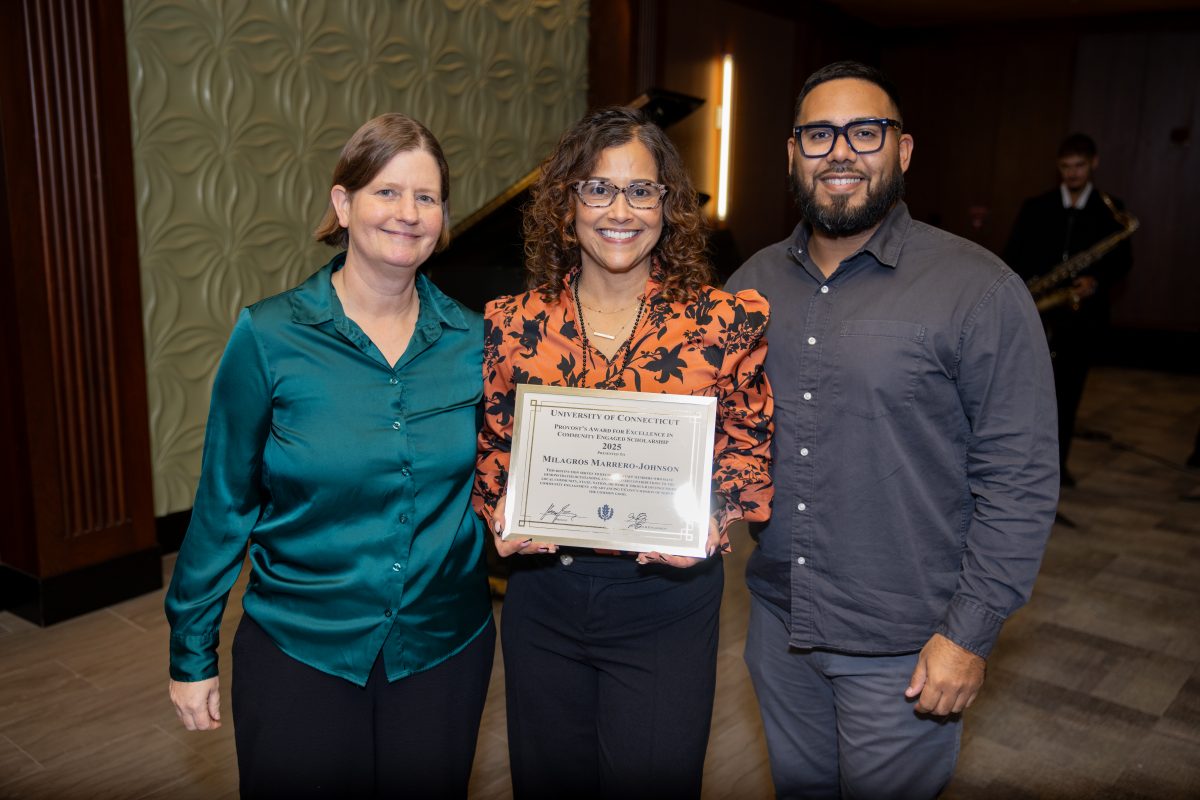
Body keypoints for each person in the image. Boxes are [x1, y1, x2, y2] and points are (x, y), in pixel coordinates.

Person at [724, 61, 1059, 799]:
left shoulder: (980, 290)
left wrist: (968, 634)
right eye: (818, 135)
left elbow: (1021, 480)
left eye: (864, 132)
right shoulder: (746, 289)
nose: (840, 152)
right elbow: (715, 436)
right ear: (791, 153)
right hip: (780, 631)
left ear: (901, 151)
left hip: (907, 648)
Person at [165, 113, 494, 798]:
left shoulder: (477, 343)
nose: (407, 213)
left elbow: (511, 476)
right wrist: (191, 652)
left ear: (443, 218)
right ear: (342, 205)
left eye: (426, 198)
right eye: (386, 192)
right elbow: (225, 502)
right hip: (302, 648)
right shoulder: (268, 336)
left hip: (442, 651)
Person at [473, 106, 773, 799]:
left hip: (666, 604)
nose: (621, 210)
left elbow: (749, 450)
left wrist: (713, 513)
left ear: (668, 206)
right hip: (544, 598)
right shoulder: (513, 326)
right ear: (566, 202)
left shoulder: (722, 323)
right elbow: (493, 452)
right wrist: (500, 510)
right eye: (597, 188)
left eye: (642, 190)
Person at [1004, 133, 1134, 486]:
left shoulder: (1109, 209)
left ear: (1093, 164)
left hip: (1081, 319)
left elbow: (1122, 261)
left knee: (1068, 394)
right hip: (1039, 311)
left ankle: (1056, 468)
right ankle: (1019, 467)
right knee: (1024, 394)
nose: (1072, 174)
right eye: (1065, 167)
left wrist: (1096, 280)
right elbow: (1012, 254)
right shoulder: (1037, 207)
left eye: (1079, 166)